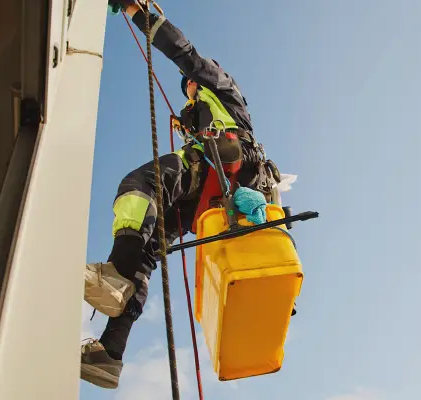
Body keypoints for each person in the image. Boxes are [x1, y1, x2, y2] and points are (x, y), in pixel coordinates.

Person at [80, 0, 283, 389]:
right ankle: (110, 352)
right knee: (149, 248)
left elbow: (182, 52)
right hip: (209, 196)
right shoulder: (199, 114)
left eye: (189, 84)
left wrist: (139, 13)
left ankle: (118, 274)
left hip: (219, 165)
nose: (188, 87)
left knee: (139, 187)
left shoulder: (222, 88)